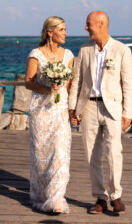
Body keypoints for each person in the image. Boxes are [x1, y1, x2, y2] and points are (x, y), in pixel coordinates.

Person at [69, 11, 132, 214]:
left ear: (101, 23)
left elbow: (128, 84)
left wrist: (127, 113)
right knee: (92, 155)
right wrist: (73, 108)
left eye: (88, 24)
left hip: (112, 109)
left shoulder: (121, 50)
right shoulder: (84, 49)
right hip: (88, 106)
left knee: (114, 153)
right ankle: (99, 197)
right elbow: (77, 80)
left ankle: (116, 196)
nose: (86, 28)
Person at [25, 16, 74, 214]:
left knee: (60, 154)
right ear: (50, 32)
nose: (65, 33)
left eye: (65, 29)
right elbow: (28, 82)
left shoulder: (69, 55)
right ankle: (41, 196)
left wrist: (73, 111)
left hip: (60, 109)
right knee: (41, 155)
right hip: (40, 110)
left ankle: (56, 199)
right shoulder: (36, 54)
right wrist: (47, 89)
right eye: (61, 29)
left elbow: (70, 86)